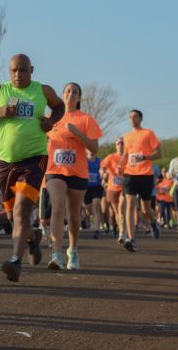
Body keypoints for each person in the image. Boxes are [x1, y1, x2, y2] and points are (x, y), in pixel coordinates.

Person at [0, 54, 63, 281]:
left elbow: (59, 106)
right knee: (14, 218)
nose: (17, 75)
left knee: (22, 211)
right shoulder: (0, 91)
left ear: (31, 70)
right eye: (13, 71)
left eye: (22, 70)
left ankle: (15, 261)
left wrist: (52, 121)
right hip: (5, 163)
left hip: (34, 159)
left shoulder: (43, 91)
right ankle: (32, 238)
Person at [43, 82, 101, 270]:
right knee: (57, 206)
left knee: (74, 216)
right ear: (62, 94)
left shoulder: (86, 119)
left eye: (75, 92)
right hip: (54, 170)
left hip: (77, 172)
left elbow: (94, 148)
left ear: (79, 97)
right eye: (67, 91)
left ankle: (73, 250)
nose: (70, 94)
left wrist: (78, 134)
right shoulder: (51, 118)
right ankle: (56, 254)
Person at [120, 109, 162, 252]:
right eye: (130, 117)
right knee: (130, 203)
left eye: (135, 116)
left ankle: (153, 221)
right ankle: (131, 239)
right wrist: (120, 165)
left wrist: (144, 157)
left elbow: (159, 153)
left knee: (145, 209)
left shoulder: (148, 133)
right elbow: (126, 154)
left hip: (145, 174)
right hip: (130, 173)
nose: (132, 118)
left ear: (141, 119)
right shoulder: (126, 136)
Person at [100, 138, 126, 243]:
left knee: (121, 210)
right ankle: (121, 230)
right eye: (118, 143)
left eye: (122, 143)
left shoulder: (127, 157)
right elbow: (102, 167)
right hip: (113, 188)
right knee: (116, 212)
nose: (120, 145)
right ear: (116, 145)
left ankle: (122, 233)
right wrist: (103, 173)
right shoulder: (111, 157)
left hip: (124, 188)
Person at [84, 149, 104, 239]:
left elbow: (104, 170)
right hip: (86, 188)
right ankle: (88, 218)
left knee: (96, 206)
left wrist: (103, 173)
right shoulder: (84, 161)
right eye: (89, 149)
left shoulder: (99, 161)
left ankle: (97, 231)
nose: (91, 151)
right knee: (89, 210)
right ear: (86, 151)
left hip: (97, 187)